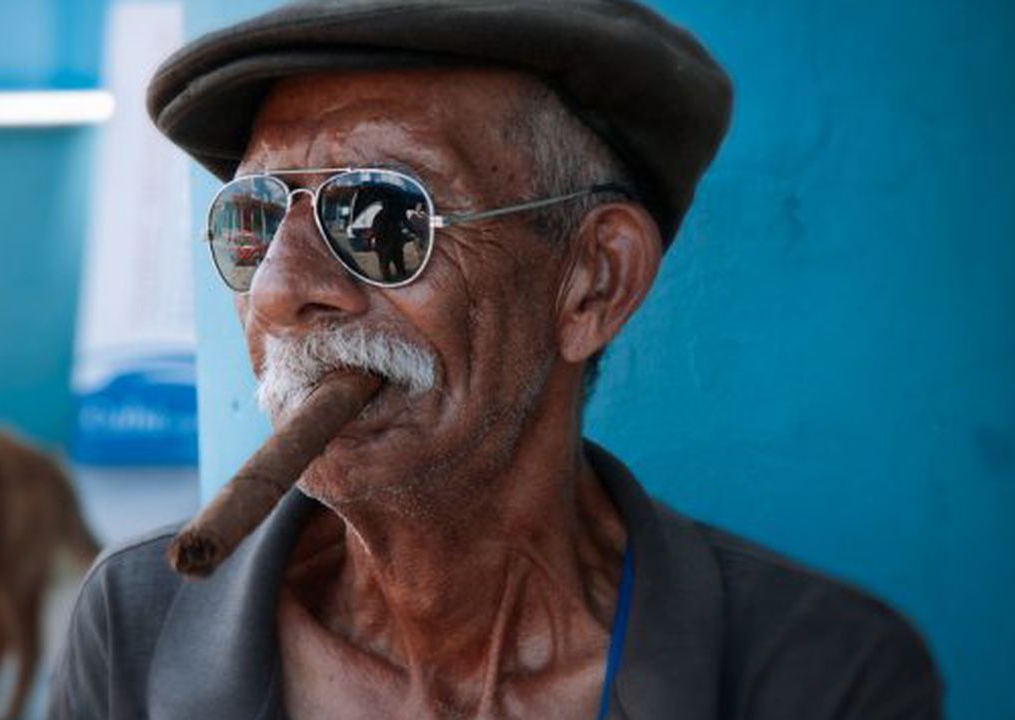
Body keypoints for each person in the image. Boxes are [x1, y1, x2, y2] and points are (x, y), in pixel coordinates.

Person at [49, 1, 943, 718]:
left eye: (380, 216)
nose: (280, 291)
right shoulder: (136, 625)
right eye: (253, 220)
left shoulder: (820, 676)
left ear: (592, 282)